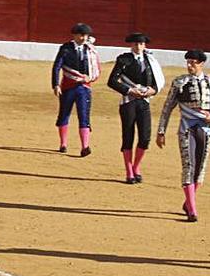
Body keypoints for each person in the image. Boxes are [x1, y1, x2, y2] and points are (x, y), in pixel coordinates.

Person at [157, 49, 210, 221]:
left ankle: (188, 201)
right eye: (188, 62)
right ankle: (192, 209)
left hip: (206, 129)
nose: (190, 65)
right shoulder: (179, 82)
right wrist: (161, 131)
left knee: (200, 168)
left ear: (201, 64)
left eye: (193, 62)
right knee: (189, 166)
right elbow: (167, 108)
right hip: (186, 129)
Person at [107, 33, 164, 183]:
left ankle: (136, 166)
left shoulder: (150, 61)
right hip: (128, 102)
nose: (138, 46)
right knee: (128, 136)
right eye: (135, 44)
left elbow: (157, 82)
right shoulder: (123, 59)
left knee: (145, 137)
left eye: (141, 44)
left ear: (145, 45)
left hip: (144, 101)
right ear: (131, 45)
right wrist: (129, 90)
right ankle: (129, 171)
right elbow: (111, 81)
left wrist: (154, 90)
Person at [51, 23, 101, 156]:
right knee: (64, 114)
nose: (84, 38)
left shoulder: (90, 50)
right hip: (67, 87)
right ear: (75, 35)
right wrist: (56, 84)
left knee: (84, 116)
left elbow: (96, 70)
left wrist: (89, 78)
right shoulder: (66, 48)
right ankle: (63, 143)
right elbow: (57, 67)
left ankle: (85, 147)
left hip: (84, 88)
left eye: (86, 35)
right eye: (82, 35)